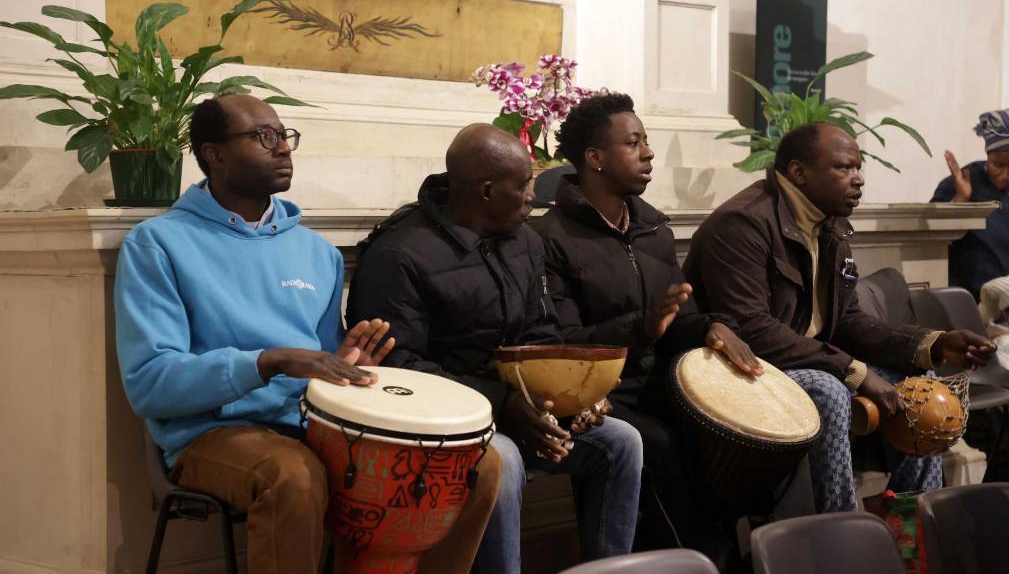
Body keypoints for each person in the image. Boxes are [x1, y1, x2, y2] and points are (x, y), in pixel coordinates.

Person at [114, 94, 500, 574]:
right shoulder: (158, 245)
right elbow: (150, 384)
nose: (283, 149)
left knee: (476, 467)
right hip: (211, 433)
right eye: (264, 137)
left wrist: (346, 362)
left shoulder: (317, 252)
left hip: (312, 428)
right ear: (213, 154)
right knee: (293, 475)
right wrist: (269, 361)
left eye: (285, 137)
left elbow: (318, 366)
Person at [347, 123, 644, 574]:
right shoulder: (399, 254)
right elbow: (397, 367)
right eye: (524, 183)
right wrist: (500, 405)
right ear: (487, 190)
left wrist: (572, 398)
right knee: (500, 458)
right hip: (443, 428)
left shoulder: (525, 241)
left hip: (516, 411)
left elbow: (542, 333)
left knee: (621, 441)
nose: (533, 194)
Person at [683, 121, 996, 513]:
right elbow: (751, 329)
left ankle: (910, 526)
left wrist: (932, 343)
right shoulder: (742, 224)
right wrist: (856, 372)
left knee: (920, 386)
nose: (858, 179)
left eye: (858, 168)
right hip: (749, 368)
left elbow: (848, 320)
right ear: (798, 172)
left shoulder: (830, 227)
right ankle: (840, 532)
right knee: (827, 390)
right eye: (845, 168)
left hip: (810, 360)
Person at [530, 92, 763, 567]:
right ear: (594, 158)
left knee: (732, 431)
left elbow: (680, 313)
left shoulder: (653, 228)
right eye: (633, 143)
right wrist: (643, 327)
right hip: (602, 394)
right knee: (658, 446)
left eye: (646, 141)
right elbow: (565, 342)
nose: (648, 152)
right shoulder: (550, 238)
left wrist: (712, 325)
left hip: (664, 382)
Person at [931, 109, 1009, 300]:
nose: (1006, 175)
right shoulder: (961, 182)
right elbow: (931, 240)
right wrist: (961, 200)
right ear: (988, 156)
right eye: (998, 165)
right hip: (968, 303)